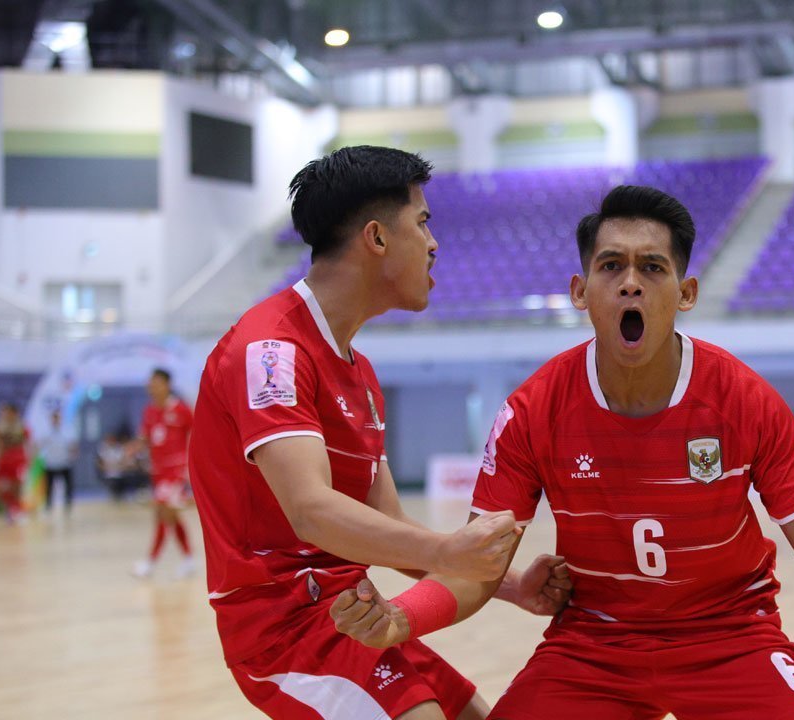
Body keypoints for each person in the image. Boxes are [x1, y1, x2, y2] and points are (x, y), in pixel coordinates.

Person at [333, 185, 794, 720]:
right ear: (581, 291)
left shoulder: (745, 399)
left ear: (686, 292)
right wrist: (399, 619)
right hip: (592, 647)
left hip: (731, 637)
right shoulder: (533, 410)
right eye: (611, 266)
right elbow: (474, 564)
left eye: (653, 268)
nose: (631, 284)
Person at [187, 145, 573, 720]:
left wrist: (514, 586)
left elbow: (389, 526)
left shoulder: (361, 374)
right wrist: (449, 550)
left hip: (352, 613)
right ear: (376, 238)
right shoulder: (270, 350)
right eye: (422, 223)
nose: (434, 243)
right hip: (282, 630)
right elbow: (311, 510)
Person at [133, 369, 197, 578]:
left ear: (167, 384)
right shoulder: (149, 411)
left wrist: (193, 466)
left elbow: (198, 432)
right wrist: (130, 450)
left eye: (156, 382)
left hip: (176, 471)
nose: (152, 386)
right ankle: (189, 559)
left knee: (162, 512)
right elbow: (145, 438)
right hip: (158, 472)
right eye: (150, 382)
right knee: (171, 515)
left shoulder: (180, 409)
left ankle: (150, 563)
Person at [0, 402, 30, 523]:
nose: (5, 414)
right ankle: (10, 506)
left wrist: (29, 460)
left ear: (14, 413)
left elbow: (28, 443)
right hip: (4, 459)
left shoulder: (22, 427)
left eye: (8, 412)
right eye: (4, 412)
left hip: (18, 458)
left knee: (16, 486)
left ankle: (16, 509)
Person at [37, 409, 77, 513]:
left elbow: (73, 445)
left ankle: (67, 503)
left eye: (57, 418)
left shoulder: (67, 431)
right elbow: (39, 445)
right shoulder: (45, 432)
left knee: (68, 485)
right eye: (54, 418)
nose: (56, 420)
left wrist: (72, 455)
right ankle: (48, 504)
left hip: (64, 462)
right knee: (49, 485)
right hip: (50, 463)